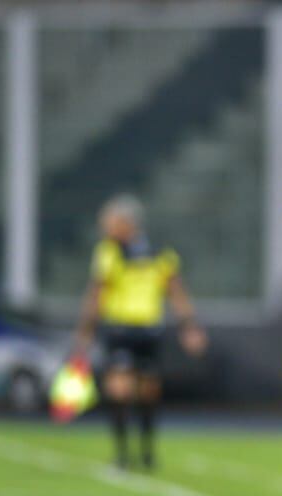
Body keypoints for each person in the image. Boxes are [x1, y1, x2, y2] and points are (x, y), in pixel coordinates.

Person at [72, 194, 207, 470]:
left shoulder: (159, 253)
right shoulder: (109, 252)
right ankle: (122, 453)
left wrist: (189, 328)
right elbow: (98, 292)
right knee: (119, 391)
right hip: (119, 328)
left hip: (148, 330)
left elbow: (175, 291)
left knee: (148, 393)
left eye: (110, 222)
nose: (106, 228)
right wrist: (86, 329)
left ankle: (147, 452)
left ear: (126, 223)